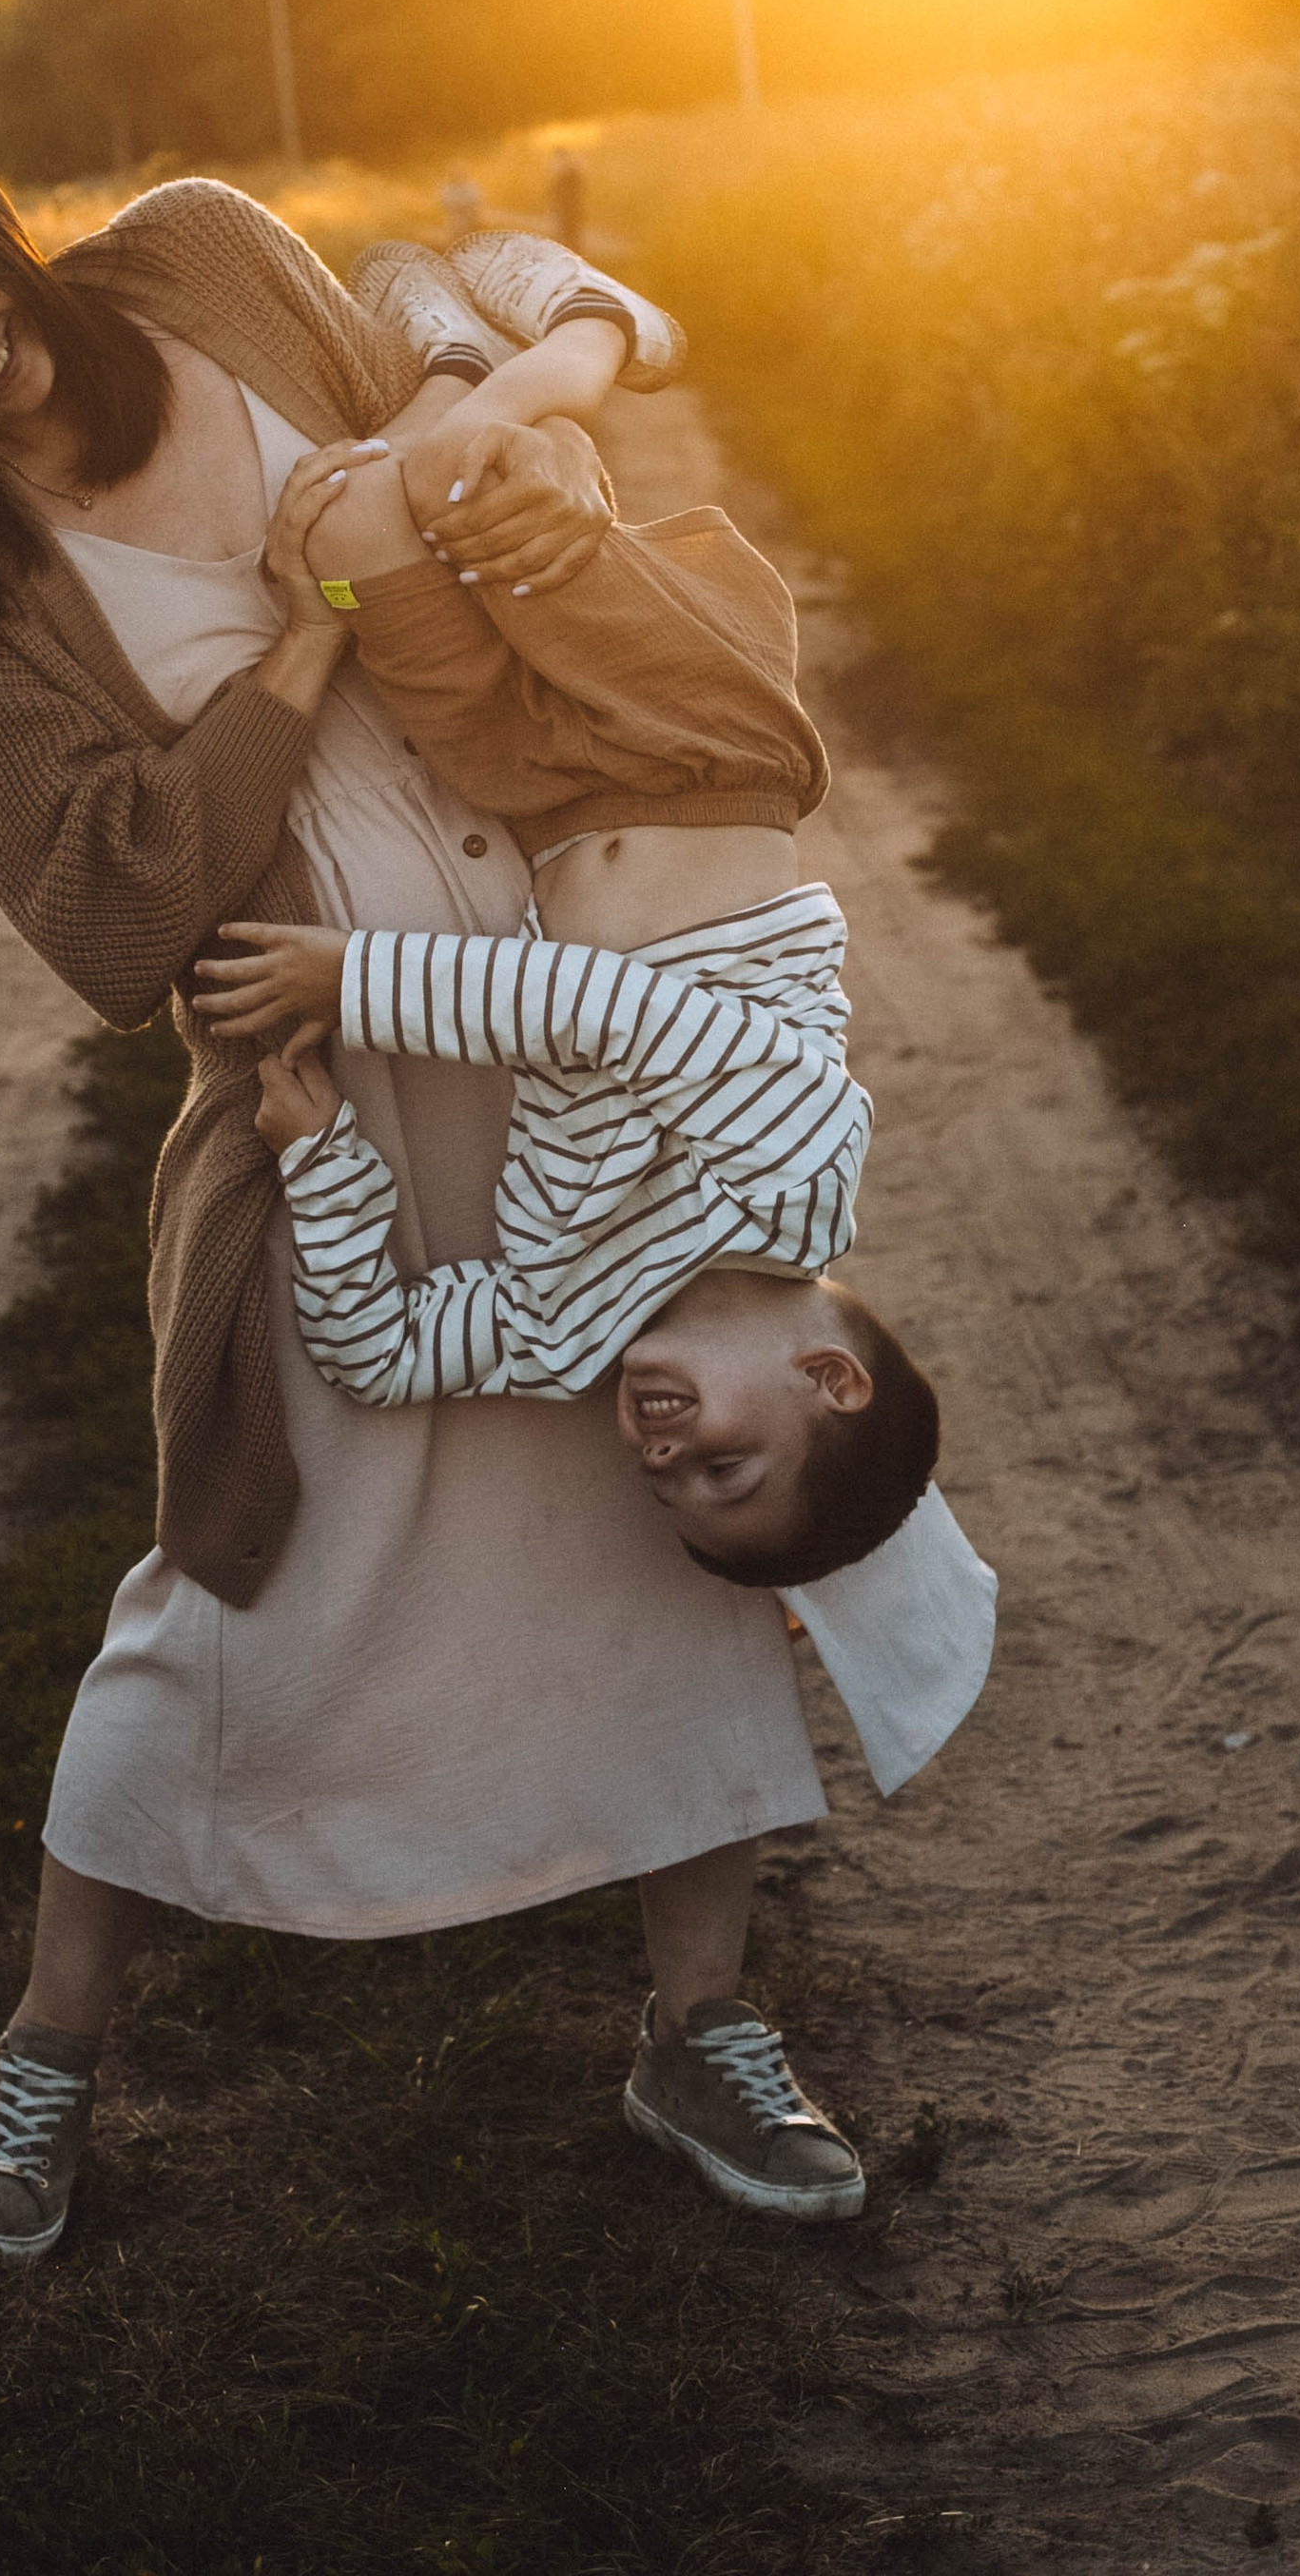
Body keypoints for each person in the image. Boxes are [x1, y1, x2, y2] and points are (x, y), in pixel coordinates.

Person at [0, 107, 990, 2274]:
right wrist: (306, 639)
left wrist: (494, 458)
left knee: (678, 1555)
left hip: (584, 994)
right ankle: (47, 2056)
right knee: (239, 1596)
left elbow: (468, 484)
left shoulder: (200, 262)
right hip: (347, 1092)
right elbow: (114, 917)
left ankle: (699, 2025)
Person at [191, 230, 946, 1589]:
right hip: (697, 747)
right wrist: (352, 984)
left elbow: (383, 1353)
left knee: (348, 537)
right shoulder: (798, 1178)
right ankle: (594, 329)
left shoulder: (559, 1326)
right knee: (456, 476)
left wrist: (322, 1156)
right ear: (829, 1377)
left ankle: (451, 336)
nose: (663, 1462)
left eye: (670, 1497)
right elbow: (621, 1014)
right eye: (726, 1466)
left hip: (533, 796)